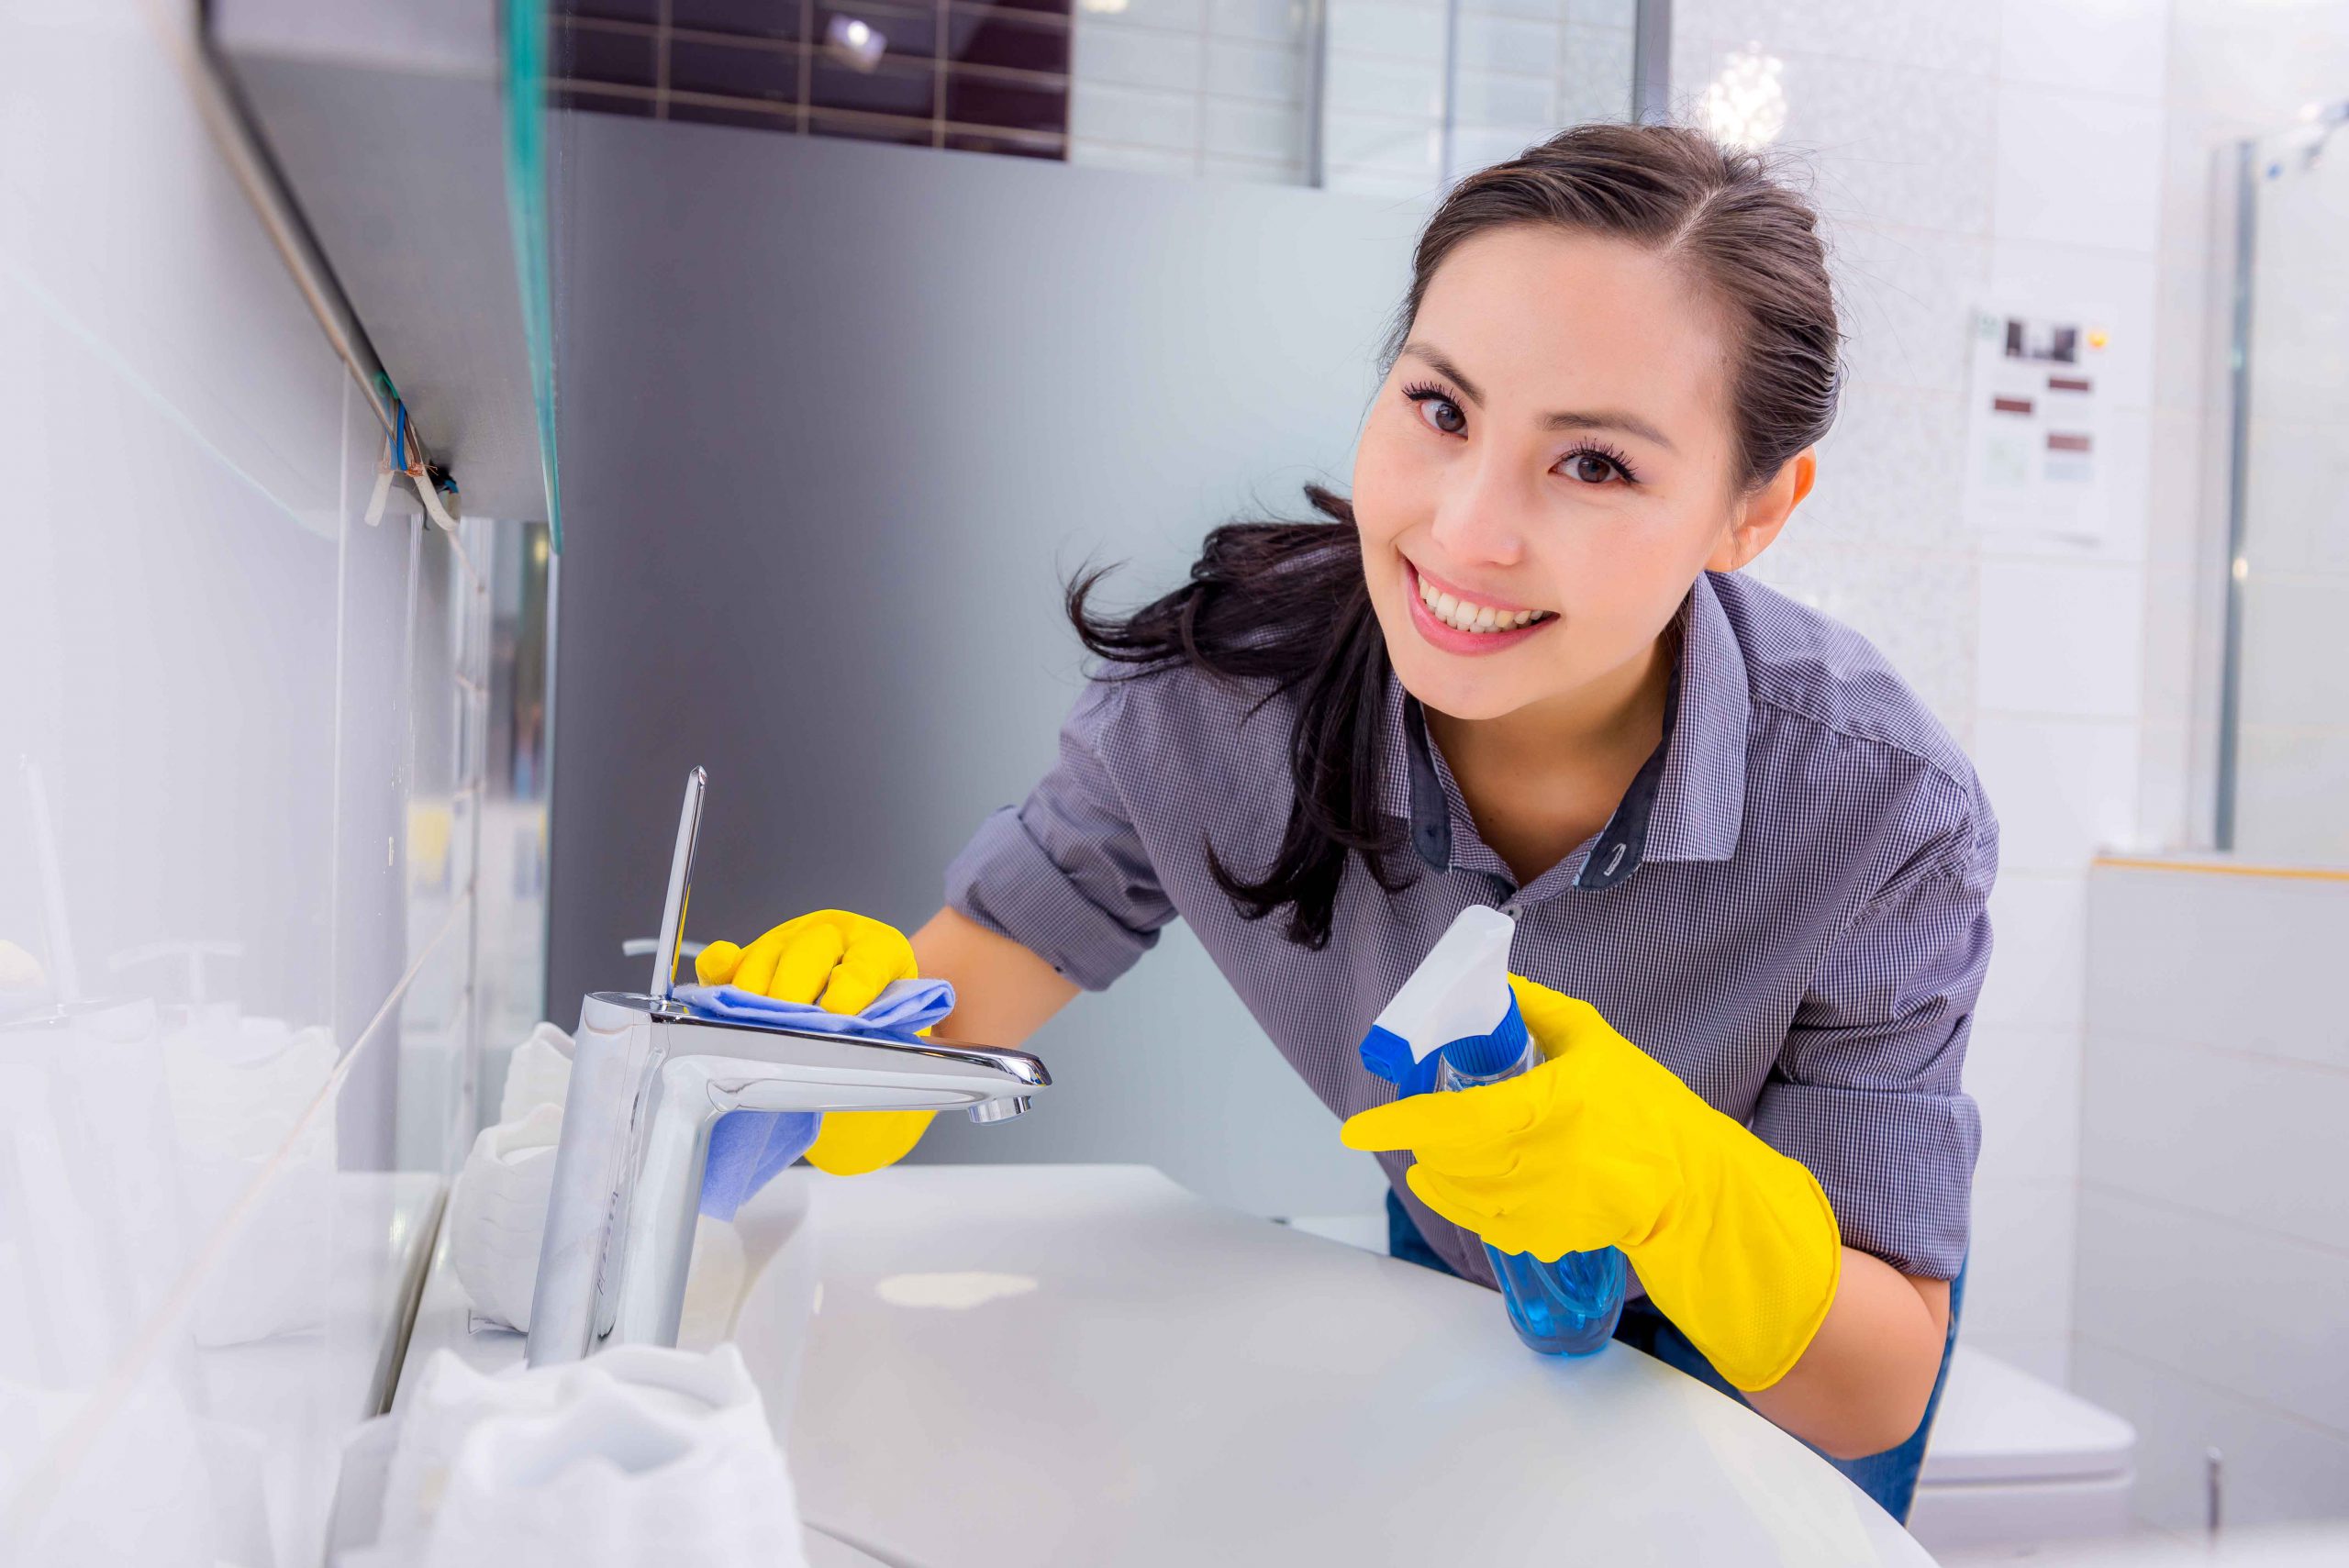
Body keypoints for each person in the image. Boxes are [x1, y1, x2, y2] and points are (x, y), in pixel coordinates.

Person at [697, 123, 1991, 1520]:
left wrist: (1676, 1184)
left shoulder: (1882, 806)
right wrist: (841, 1042)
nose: (1465, 531)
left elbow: (1874, 1378)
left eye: (1597, 465)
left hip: (1784, 1334)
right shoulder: (1218, 705)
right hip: (1468, 1257)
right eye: (1442, 409)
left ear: (1756, 508)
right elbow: (963, 994)